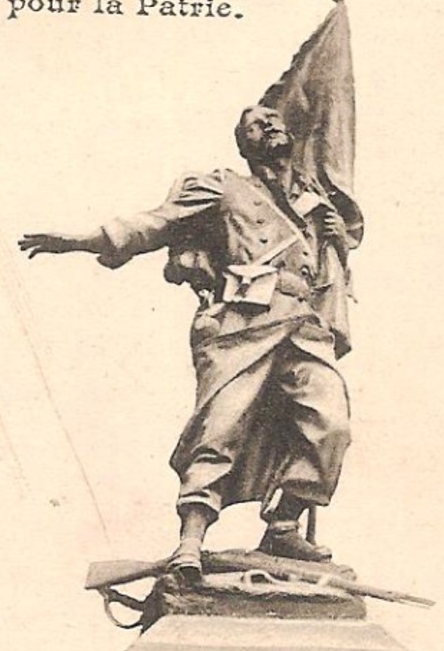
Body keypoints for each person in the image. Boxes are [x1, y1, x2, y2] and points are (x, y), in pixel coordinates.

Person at [19, 103, 362, 580]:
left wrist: (335, 237)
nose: (272, 125)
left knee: (332, 425)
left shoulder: (308, 207)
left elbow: (329, 274)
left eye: (275, 120)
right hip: (242, 322)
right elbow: (156, 223)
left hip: (302, 328)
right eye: (257, 124)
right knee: (221, 426)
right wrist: (83, 241)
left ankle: (283, 526)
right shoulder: (223, 186)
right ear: (244, 144)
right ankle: (191, 541)